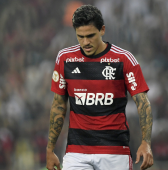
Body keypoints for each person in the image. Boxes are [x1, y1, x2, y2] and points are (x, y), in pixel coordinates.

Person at [46, 5, 153, 170]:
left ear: (102, 30)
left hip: (115, 151)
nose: (85, 42)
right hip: (77, 152)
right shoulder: (65, 58)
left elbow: (143, 102)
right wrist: (50, 149)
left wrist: (146, 142)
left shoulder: (123, 59)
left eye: (90, 36)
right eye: (80, 37)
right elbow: (58, 105)